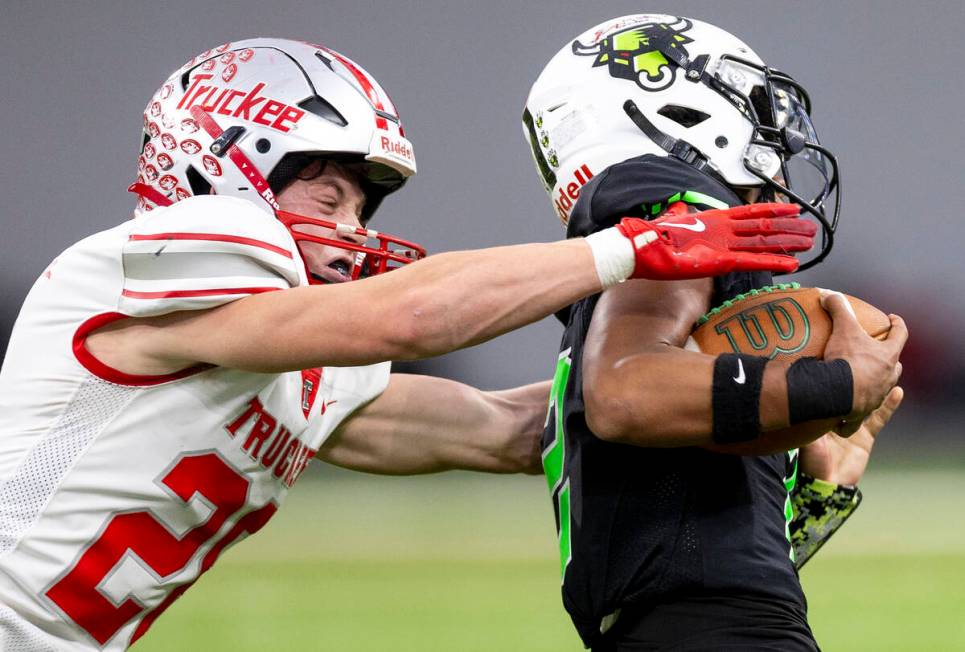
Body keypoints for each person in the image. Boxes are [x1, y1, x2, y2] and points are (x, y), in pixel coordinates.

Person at [0, 38, 816, 651]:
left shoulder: (290, 360)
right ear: (224, 167)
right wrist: (628, 250)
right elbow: (406, 319)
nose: (353, 234)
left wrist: (749, 380)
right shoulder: (187, 241)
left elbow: (507, 429)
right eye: (330, 194)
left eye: (361, 209)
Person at [522, 15, 908, 651]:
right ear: (673, 109)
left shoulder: (621, 282)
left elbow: (690, 554)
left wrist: (814, 493)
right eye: (751, 104)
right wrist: (829, 384)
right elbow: (627, 392)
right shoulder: (672, 214)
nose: (778, 142)